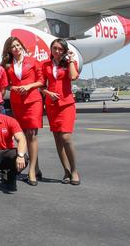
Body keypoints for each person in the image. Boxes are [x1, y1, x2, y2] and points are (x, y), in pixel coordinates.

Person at [1, 36, 44, 185]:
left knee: (32, 134)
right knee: (23, 135)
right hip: (17, 101)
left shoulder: (33, 61)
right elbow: (5, 84)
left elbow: (41, 80)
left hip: (33, 100)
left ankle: (31, 171)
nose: (16, 48)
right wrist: (14, 88)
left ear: (22, 46)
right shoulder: (7, 65)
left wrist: (28, 86)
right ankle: (36, 168)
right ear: (9, 50)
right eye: (13, 46)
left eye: (18, 45)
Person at [41, 38, 80, 185]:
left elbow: (73, 76)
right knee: (57, 139)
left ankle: (74, 170)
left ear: (64, 51)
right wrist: (47, 92)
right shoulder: (45, 65)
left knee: (66, 138)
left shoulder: (70, 63)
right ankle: (66, 171)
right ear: (51, 49)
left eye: (60, 49)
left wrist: (70, 60)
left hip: (66, 104)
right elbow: (41, 85)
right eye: (54, 48)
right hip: (52, 105)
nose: (57, 51)